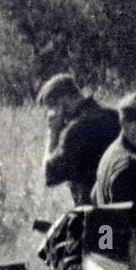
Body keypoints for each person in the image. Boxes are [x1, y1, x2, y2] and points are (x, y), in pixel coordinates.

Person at [38, 73, 120, 206]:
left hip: (96, 216)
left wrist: (52, 132)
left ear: (62, 103)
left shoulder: (75, 130)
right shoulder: (115, 116)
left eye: (51, 108)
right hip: (130, 208)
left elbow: (50, 175)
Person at [92, 93, 136, 213]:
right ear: (124, 124)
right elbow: (122, 221)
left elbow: (94, 195)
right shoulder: (127, 165)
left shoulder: (114, 150)